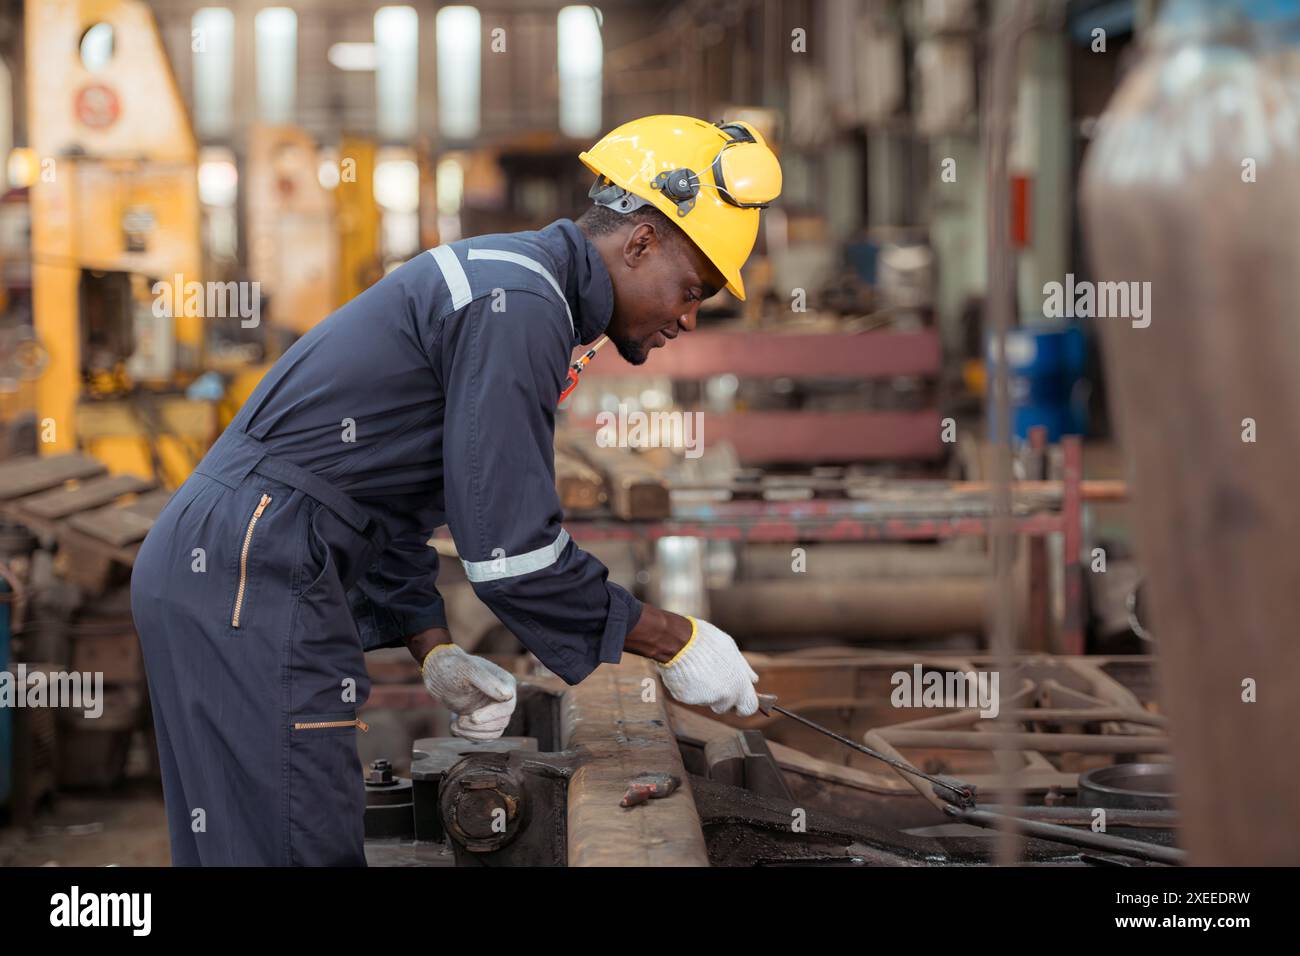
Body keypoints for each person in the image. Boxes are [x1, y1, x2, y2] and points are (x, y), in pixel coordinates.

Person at [130, 115, 783, 865]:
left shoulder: (516, 286)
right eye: (691, 288)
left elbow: (380, 493)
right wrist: (677, 640)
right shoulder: (521, 304)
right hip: (251, 567)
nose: (688, 319)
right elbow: (513, 556)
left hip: (229, 560)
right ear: (640, 242)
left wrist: (435, 650)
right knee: (293, 846)